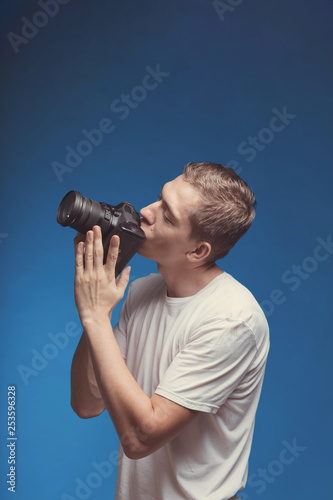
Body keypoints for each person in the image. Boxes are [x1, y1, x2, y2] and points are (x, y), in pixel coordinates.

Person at [70, 162, 270, 500]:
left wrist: (95, 317)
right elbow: (86, 403)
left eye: (168, 215)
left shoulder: (233, 319)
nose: (146, 212)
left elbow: (139, 439)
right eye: (159, 200)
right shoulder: (143, 291)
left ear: (197, 251)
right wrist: (101, 294)